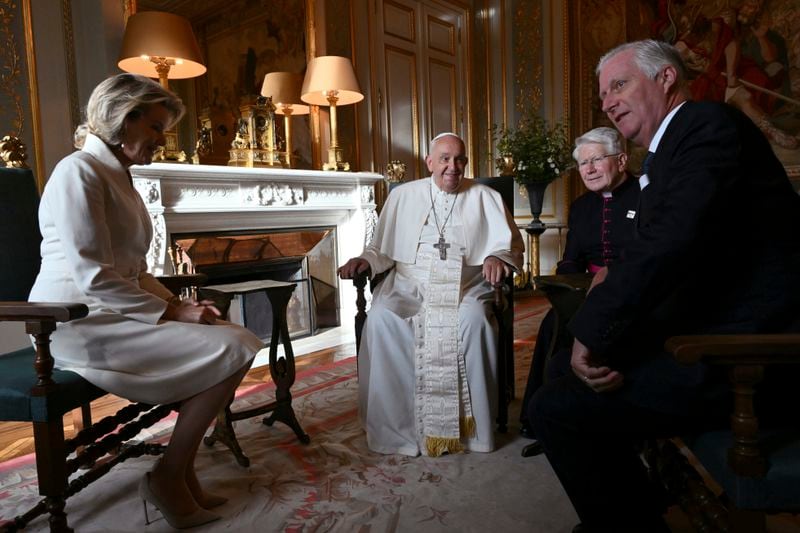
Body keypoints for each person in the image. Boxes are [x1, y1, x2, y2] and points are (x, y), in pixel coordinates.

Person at [528, 39, 800, 532]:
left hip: (746, 357)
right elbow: (672, 244)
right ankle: (629, 511)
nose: (607, 100)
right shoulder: (670, 149)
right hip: (714, 334)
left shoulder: (707, 125)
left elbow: (672, 241)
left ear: (666, 78)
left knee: (555, 408)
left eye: (619, 83)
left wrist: (594, 330)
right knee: (566, 363)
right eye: (603, 92)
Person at [28, 73, 264, 529]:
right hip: (76, 321)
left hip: (117, 312)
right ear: (124, 118)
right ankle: (170, 477)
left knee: (235, 339)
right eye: (155, 127)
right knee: (236, 347)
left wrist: (184, 310)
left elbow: (135, 271)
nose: (161, 139)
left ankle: (179, 471)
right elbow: (94, 275)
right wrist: (174, 311)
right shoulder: (77, 171)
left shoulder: (121, 179)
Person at [338, 132, 524, 457]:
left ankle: (474, 430)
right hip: (409, 284)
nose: (453, 167)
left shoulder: (485, 197)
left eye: (460, 159)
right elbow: (381, 249)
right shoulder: (403, 197)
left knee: (474, 321)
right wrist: (364, 260)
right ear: (429, 162)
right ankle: (398, 429)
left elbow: (508, 246)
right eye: (445, 159)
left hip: (465, 284)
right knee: (382, 319)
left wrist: (497, 257)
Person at [519, 127, 639, 451]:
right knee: (551, 326)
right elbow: (570, 261)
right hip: (586, 292)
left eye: (597, 160)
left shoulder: (647, 196)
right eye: (583, 163)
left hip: (634, 290)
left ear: (622, 160)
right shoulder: (582, 206)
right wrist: (566, 289)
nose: (588, 169)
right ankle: (541, 420)